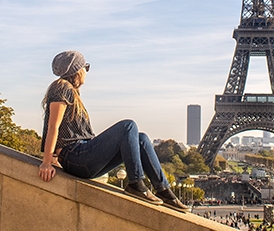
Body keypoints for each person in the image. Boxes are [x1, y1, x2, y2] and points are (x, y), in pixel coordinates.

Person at [38, 50, 188, 211]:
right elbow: (53, 126)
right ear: (77, 70)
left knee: (141, 138)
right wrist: (47, 162)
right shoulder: (62, 88)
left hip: (81, 157)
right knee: (128, 126)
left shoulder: (70, 91)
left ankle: (163, 190)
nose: (86, 72)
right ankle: (135, 183)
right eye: (85, 67)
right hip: (75, 156)